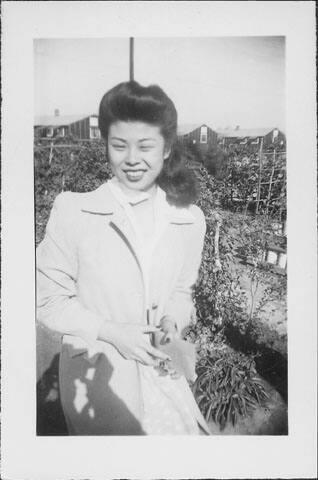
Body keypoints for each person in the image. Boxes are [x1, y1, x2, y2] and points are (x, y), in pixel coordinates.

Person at [36, 81, 210, 435]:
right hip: (103, 379)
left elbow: (182, 292)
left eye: (145, 146)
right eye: (119, 146)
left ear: (166, 149)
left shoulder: (189, 219)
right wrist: (112, 332)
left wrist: (172, 326)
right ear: (106, 146)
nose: (132, 159)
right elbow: (47, 300)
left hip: (163, 376)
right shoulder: (74, 211)